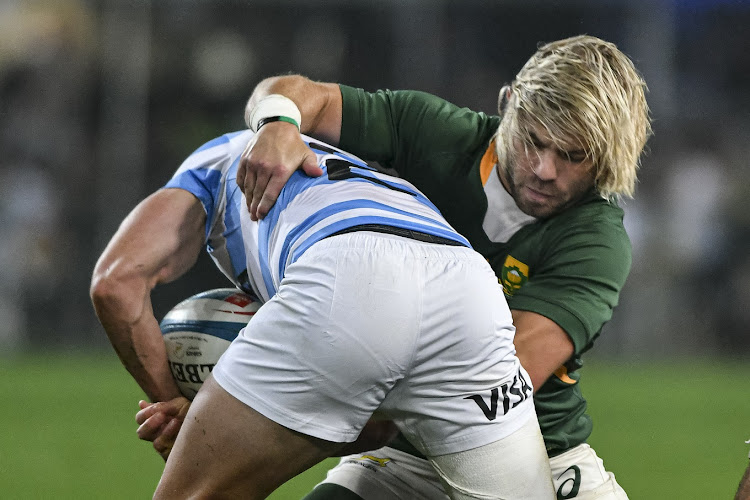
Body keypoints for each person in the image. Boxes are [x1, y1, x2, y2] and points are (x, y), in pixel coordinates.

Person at [237, 34, 651, 499]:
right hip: (406, 454)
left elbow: (487, 384)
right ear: (508, 105)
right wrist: (276, 124)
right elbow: (293, 92)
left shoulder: (596, 240)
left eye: (573, 156)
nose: (544, 169)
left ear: (606, 160)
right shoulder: (437, 134)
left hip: (538, 457)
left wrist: (263, 415)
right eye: (533, 140)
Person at [90, 129, 556, 498]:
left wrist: (176, 405)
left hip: (348, 268)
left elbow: (115, 283)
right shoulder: (357, 174)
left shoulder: (219, 161)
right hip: (469, 285)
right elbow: (374, 428)